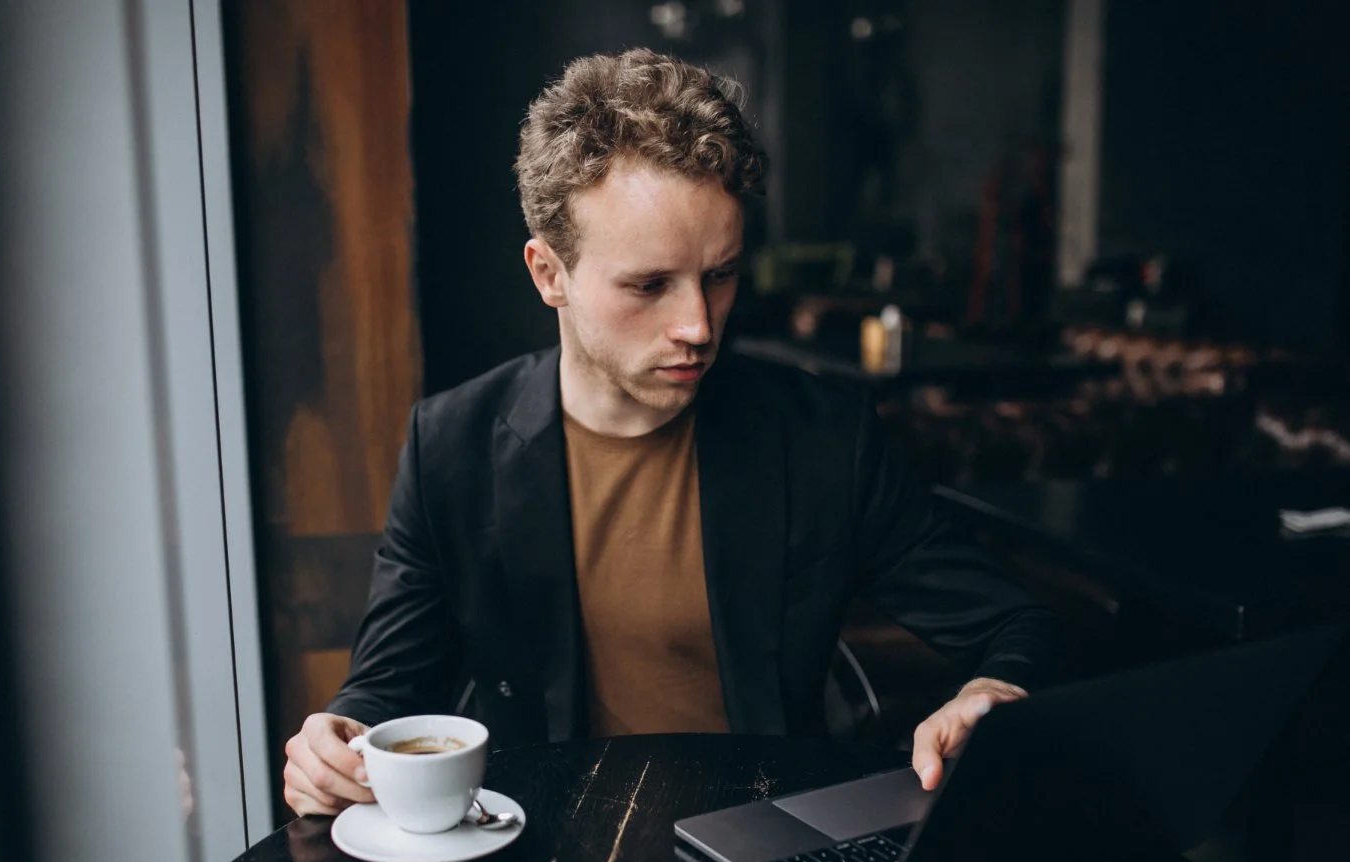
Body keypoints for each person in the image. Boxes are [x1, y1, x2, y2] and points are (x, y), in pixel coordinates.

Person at [283, 49, 1057, 818]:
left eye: (719, 274)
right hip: (540, 852)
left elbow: (1016, 622)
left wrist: (994, 688)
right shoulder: (450, 444)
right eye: (649, 285)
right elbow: (385, 690)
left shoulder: (822, 436)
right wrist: (336, 742)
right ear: (548, 273)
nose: (697, 325)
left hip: (772, 843)